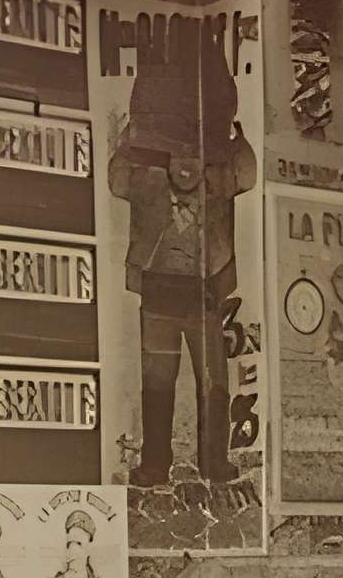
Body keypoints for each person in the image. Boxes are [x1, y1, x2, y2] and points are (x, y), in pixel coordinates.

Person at [108, 31, 257, 487]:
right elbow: (118, 178)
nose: (187, 167)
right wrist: (130, 142)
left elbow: (246, 173)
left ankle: (214, 462)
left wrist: (236, 137)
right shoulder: (149, 184)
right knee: (158, 384)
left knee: (213, 383)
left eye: (194, 158)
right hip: (159, 296)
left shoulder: (216, 182)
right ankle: (155, 464)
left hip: (203, 299)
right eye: (178, 158)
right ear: (164, 161)